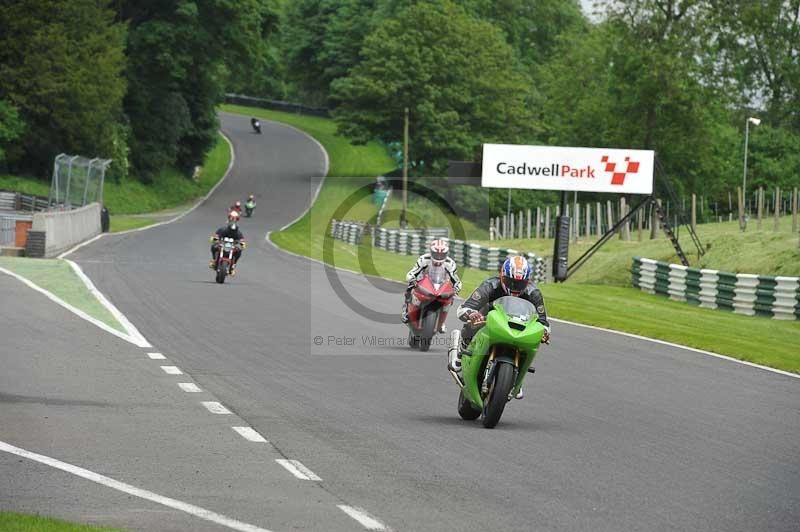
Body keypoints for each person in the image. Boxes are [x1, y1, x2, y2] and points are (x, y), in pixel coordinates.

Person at [449, 255, 550, 398]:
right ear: (502, 276)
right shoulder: (490, 286)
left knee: (534, 339)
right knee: (478, 314)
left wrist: (545, 332)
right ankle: (462, 349)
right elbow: (464, 308)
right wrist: (471, 314)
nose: (515, 287)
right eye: (511, 282)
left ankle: (518, 377)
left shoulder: (534, 293)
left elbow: (543, 321)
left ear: (527, 282)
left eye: (520, 284)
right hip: (489, 322)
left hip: (518, 328)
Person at [401, 239, 462, 332]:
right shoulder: (424, 259)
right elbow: (412, 272)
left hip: (441, 284)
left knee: (451, 298)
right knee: (410, 288)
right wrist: (412, 279)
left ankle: (441, 322)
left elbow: (456, 279)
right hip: (423, 281)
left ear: (446, 254)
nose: (439, 256)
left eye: (441, 255)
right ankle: (406, 311)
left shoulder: (450, 263)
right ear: (431, 252)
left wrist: (457, 287)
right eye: (436, 254)